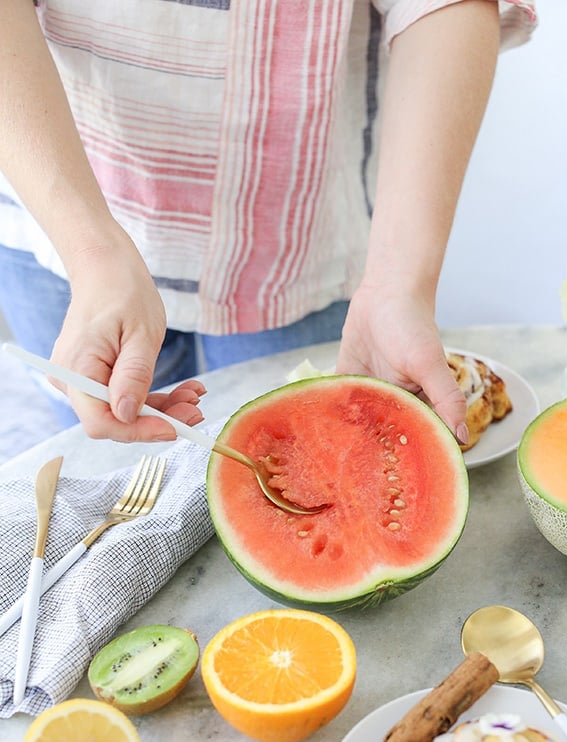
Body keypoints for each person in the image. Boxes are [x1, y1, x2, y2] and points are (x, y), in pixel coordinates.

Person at [0, 0, 536, 446]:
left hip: (304, 245)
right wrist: (91, 252)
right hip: (62, 215)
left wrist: (399, 284)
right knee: (108, 472)